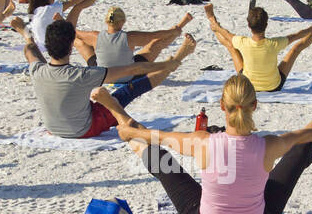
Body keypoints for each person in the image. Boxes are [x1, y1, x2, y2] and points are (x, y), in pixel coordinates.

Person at [102, 74, 312, 214]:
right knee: (300, 149)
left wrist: (130, 131)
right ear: (254, 106)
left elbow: (156, 136)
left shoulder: (202, 142)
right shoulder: (268, 145)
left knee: (162, 161)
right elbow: (302, 134)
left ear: (222, 106)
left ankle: (116, 110)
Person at [18, 17, 193, 139]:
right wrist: (166, 65)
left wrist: (26, 35)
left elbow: (30, 50)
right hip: (84, 130)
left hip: (52, 128)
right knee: (127, 91)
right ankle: (179, 57)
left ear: (47, 46)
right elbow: (136, 68)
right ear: (71, 46)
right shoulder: (82, 75)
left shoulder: (37, 70)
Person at [204, 1, 312, 92]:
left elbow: (226, 34)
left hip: (248, 86)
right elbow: (296, 36)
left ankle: (211, 19)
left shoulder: (242, 41)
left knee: (230, 46)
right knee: (296, 49)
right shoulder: (274, 43)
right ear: (266, 24)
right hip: (273, 86)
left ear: (248, 25)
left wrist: (216, 25)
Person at [73, 6, 192, 67]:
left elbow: (75, 32)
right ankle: (181, 25)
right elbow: (157, 35)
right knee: (156, 44)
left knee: (80, 43)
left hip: (103, 75)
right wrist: (175, 31)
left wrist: (61, 25)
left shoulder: (95, 36)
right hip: (127, 75)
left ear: (106, 21)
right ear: (123, 21)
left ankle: (58, 29)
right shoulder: (130, 37)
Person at [28, 0, 106, 49]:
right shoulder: (50, 8)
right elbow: (72, 2)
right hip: (58, 44)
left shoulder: (33, 11)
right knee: (77, 8)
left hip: (42, 44)